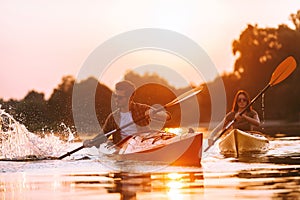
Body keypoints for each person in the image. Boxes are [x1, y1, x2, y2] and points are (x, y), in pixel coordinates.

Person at [83, 80, 171, 147]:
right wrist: (91, 142)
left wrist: (154, 114)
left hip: (142, 144)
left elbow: (167, 116)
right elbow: (103, 136)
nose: (116, 100)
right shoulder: (113, 118)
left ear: (130, 97)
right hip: (123, 148)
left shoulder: (142, 109)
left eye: (120, 98)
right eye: (115, 96)